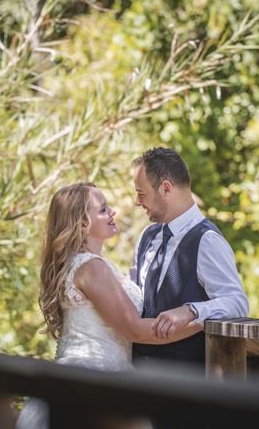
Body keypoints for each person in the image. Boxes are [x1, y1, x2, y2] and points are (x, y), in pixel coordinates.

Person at [16, 182, 202, 429]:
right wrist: (202, 322)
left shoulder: (90, 265)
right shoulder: (92, 268)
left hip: (82, 375)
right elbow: (134, 330)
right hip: (94, 381)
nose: (112, 211)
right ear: (83, 224)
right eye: (103, 209)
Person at [130, 147, 249, 369]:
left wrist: (192, 310)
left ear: (166, 188)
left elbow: (237, 302)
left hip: (184, 385)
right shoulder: (147, 237)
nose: (137, 201)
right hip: (137, 379)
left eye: (141, 193)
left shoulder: (207, 240)